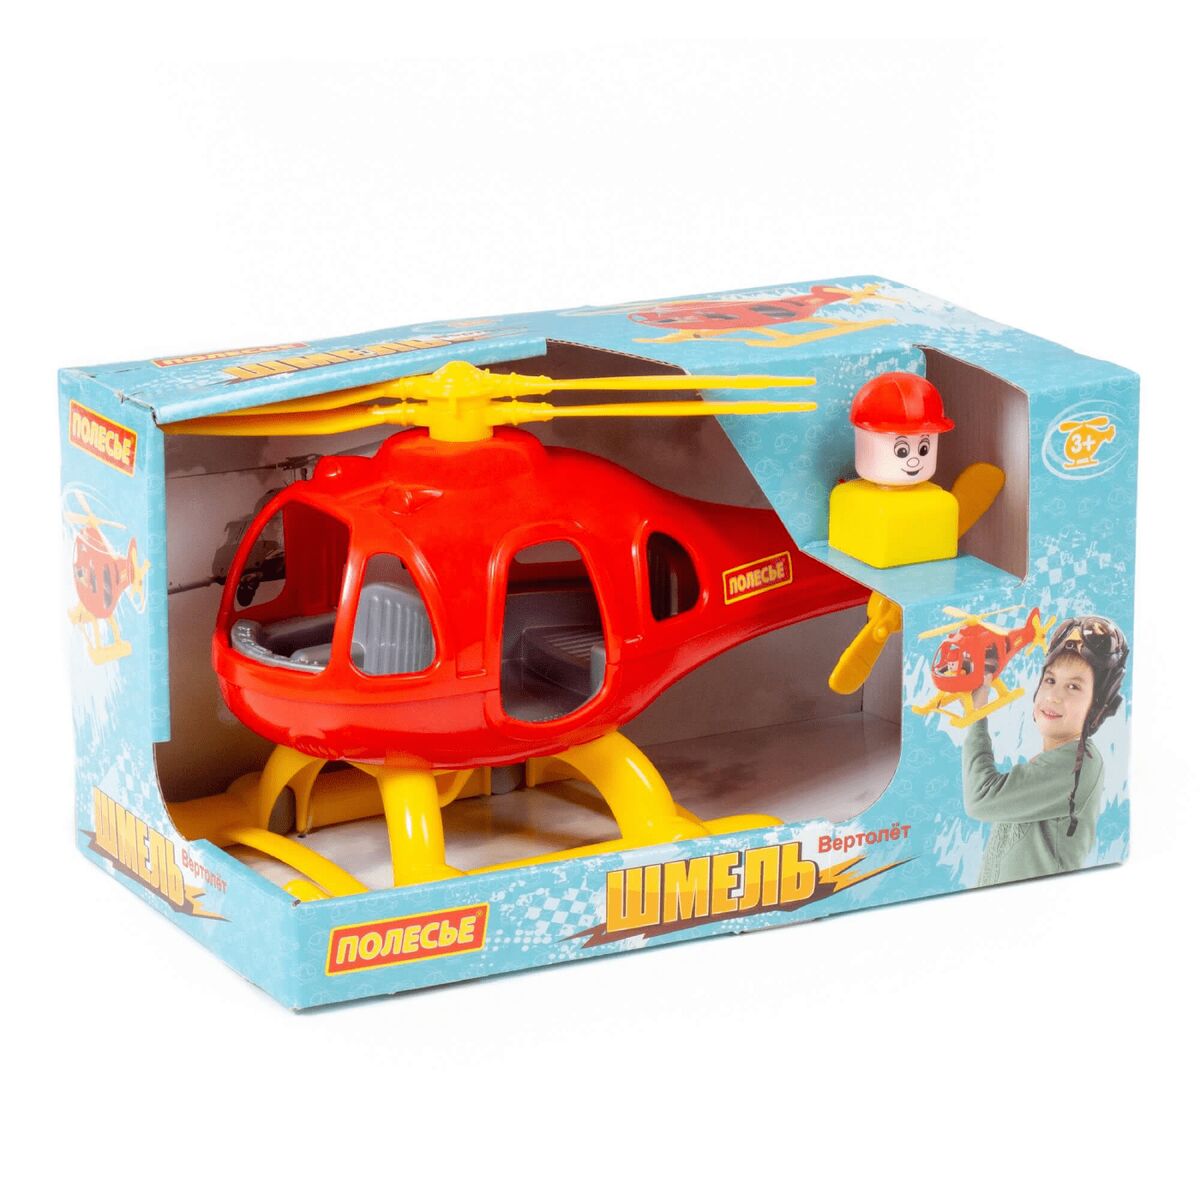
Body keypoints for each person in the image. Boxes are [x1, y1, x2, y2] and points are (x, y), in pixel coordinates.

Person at [962, 616, 1128, 886]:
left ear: (1097, 705)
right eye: (1050, 680)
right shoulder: (1052, 761)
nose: (1053, 696)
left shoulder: (1079, 763)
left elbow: (980, 798)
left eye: (1073, 686)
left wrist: (977, 713)